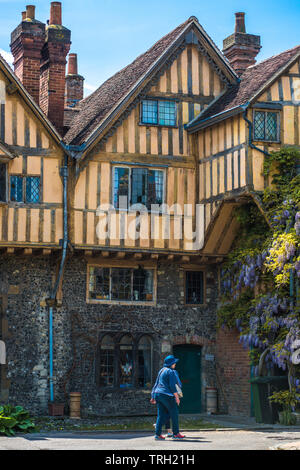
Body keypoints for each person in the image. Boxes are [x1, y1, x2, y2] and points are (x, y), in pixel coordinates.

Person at [150, 355, 185, 440]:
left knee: (160, 415)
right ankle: (176, 434)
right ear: (171, 363)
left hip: (158, 394)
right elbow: (172, 386)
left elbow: (156, 384)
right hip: (167, 395)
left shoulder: (161, 371)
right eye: (174, 363)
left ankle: (158, 435)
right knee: (174, 413)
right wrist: (177, 397)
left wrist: (153, 396)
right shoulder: (171, 372)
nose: (175, 364)